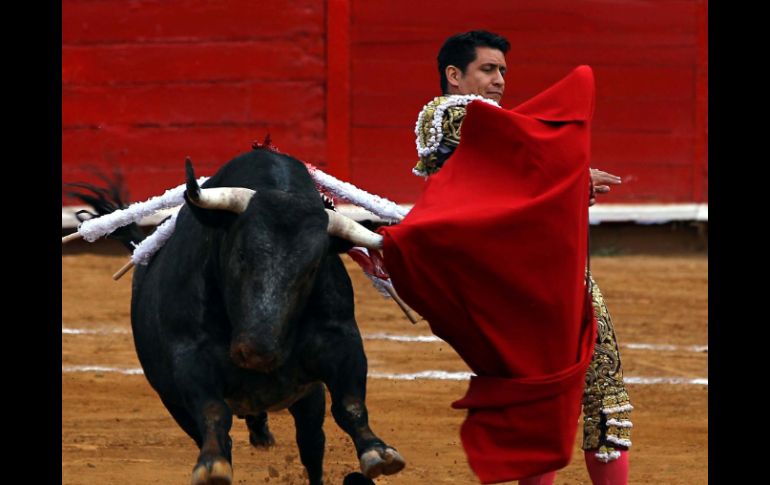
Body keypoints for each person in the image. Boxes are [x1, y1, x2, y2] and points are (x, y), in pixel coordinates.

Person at [412, 30, 632, 485]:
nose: (499, 80)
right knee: (558, 392)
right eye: (488, 69)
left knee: (591, 392)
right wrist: (571, 176)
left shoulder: (502, 129)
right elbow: (515, 162)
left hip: (543, 271)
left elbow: (519, 176)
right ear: (454, 75)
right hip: (512, 281)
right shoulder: (445, 114)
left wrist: (569, 186)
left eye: (503, 71)